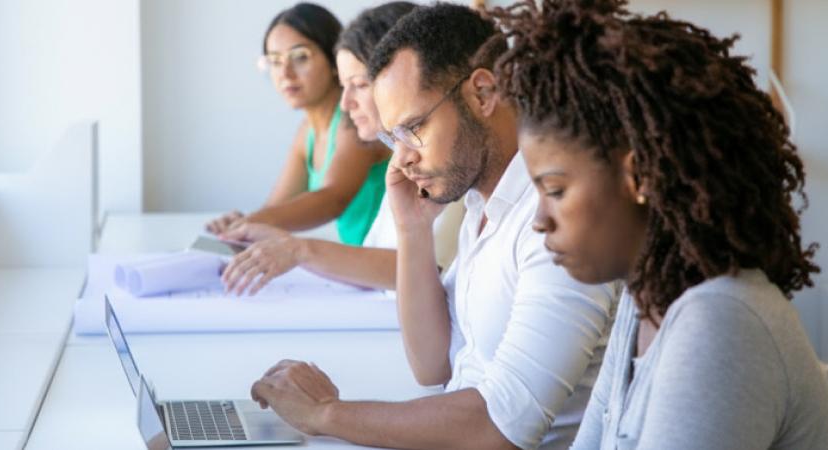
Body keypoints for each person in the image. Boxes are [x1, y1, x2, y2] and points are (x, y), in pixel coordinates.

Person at [248, 5, 617, 449]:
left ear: (482, 93)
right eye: (393, 138)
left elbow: (500, 427)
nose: (401, 158)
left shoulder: (554, 220)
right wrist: (412, 230)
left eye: (414, 128)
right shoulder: (483, 199)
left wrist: (326, 414)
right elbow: (433, 367)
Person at [490, 1, 828, 448]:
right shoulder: (644, 308)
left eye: (555, 190)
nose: (540, 220)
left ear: (639, 177)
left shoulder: (720, 321)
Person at [218, 2, 465, 295]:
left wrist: (298, 249)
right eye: (273, 60)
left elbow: (333, 198)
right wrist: (249, 227)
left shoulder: (444, 163)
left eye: (359, 84)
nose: (346, 104)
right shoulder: (402, 161)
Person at [205, 3, 390, 247]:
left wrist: (252, 223)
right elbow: (275, 209)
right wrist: (245, 222)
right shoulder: (308, 131)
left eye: (300, 57)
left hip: (384, 271)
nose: (285, 73)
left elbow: (332, 199)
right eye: (275, 61)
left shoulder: (356, 121)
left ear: (334, 59)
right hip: (359, 273)